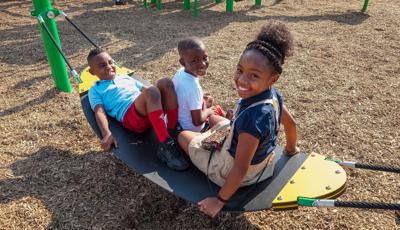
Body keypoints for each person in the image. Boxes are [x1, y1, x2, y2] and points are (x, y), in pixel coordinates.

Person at [177, 20, 299, 217]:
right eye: (240, 70)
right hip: (264, 164)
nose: (242, 80)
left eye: (254, 76)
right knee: (215, 119)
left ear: (272, 78)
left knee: (183, 136)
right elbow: (291, 124)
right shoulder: (273, 94)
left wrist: (219, 200)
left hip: (238, 174)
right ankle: (215, 138)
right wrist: (291, 149)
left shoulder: (253, 119)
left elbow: (240, 168)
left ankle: (208, 159)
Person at [87, 48, 189, 171]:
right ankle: (166, 146)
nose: (109, 67)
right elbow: (99, 111)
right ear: (92, 72)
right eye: (103, 65)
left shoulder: (124, 77)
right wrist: (106, 133)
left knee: (165, 82)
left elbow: (146, 90)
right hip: (132, 118)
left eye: (110, 62)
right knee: (152, 91)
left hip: (150, 110)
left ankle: (172, 130)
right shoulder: (95, 90)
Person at [172, 37, 221, 133]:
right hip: (191, 129)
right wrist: (208, 111)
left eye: (204, 57)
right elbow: (197, 121)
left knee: (208, 98)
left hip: (179, 121)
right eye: (194, 61)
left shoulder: (180, 72)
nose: (202, 64)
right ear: (182, 62)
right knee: (216, 109)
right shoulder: (194, 87)